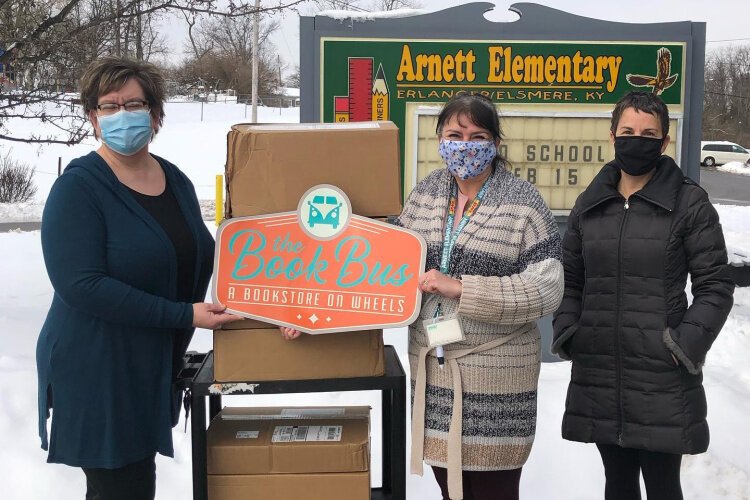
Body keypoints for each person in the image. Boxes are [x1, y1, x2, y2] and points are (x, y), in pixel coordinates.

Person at [279, 92, 563, 499]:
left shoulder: (524, 203)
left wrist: (463, 288)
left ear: (495, 144)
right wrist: (315, 314)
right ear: (439, 139)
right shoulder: (426, 194)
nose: (465, 146)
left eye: (478, 136)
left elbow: (547, 287)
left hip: (497, 382)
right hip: (435, 374)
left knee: (493, 491)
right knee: (449, 489)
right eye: (455, 134)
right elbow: (379, 272)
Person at [36, 56, 239, 500]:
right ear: (93, 118)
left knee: (135, 485)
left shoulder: (175, 180)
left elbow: (200, 253)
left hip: (149, 364)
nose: (121, 115)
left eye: (133, 103)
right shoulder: (79, 189)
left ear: (155, 112)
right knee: (121, 488)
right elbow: (81, 285)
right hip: (99, 368)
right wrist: (182, 314)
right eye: (108, 106)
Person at [552, 91, 735, 500]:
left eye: (649, 133)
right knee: (617, 484)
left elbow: (715, 285)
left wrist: (683, 345)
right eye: (629, 131)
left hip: (661, 374)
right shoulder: (591, 203)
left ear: (664, 142)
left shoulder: (690, 203)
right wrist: (571, 330)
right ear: (613, 135)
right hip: (600, 369)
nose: (638, 140)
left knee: (662, 486)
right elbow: (571, 277)